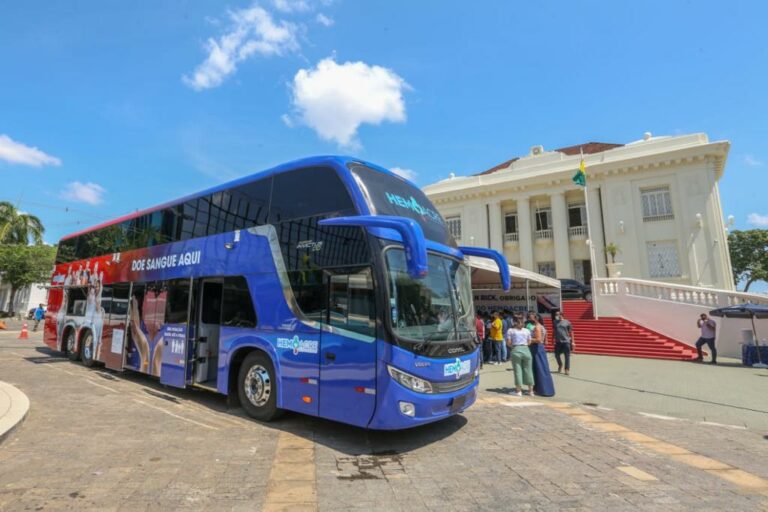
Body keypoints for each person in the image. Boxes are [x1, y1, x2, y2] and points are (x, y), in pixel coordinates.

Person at [505, 317, 534, 396]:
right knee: (528, 370)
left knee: (518, 370)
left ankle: (519, 391)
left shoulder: (510, 331)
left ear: (514, 323)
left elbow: (508, 342)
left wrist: (513, 347)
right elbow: (529, 342)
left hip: (516, 349)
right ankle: (531, 391)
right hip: (526, 349)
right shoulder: (527, 330)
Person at [553, 310, 574, 375]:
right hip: (558, 341)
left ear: (561, 315)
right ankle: (560, 365)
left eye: (557, 314)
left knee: (567, 356)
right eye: (556, 314)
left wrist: (573, 341)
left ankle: (567, 369)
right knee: (556, 355)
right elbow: (554, 330)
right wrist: (552, 338)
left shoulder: (567, 322)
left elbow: (571, 332)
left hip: (566, 341)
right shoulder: (555, 322)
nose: (556, 315)